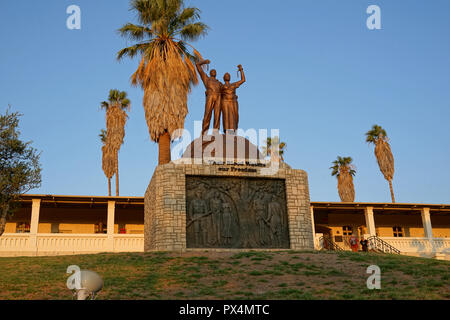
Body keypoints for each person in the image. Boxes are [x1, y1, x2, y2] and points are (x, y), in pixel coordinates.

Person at [196, 59, 223, 136]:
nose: (214, 71)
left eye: (215, 71)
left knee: (217, 115)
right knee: (207, 114)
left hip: (218, 97)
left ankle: (216, 132)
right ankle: (204, 132)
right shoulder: (206, 79)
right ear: (210, 73)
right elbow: (197, 65)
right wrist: (204, 62)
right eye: (212, 71)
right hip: (210, 96)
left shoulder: (219, 83)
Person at [221, 65, 246, 133]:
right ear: (223, 78)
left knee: (234, 116)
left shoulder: (233, 84)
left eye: (228, 75)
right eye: (226, 75)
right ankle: (227, 131)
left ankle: (233, 131)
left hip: (233, 101)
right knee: (226, 115)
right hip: (225, 101)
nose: (227, 76)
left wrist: (241, 70)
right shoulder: (221, 86)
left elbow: (243, 80)